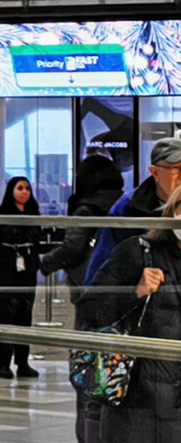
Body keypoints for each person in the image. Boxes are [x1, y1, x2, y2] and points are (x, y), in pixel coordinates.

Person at [80, 185, 181, 442]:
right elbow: (90, 311)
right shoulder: (138, 251)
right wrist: (134, 292)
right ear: (174, 212)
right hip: (136, 403)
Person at [39, 155, 123, 443]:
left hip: (89, 297)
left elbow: (72, 249)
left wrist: (44, 263)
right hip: (123, 297)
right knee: (117, 371)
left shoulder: (85, 209)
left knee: (88, 374)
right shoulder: (125, 205)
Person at [84, 137, 181, 286]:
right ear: (155, 172)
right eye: (177, 168)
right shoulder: (127, 208)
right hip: (146, 302)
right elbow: (101, 271)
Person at [0, 176, 41, 379]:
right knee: (7, 317)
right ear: (11, 191)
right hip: (6, 271)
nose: (24, 192)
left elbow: (37, 242)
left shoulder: (34, 213)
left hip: (27, 272)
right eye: (19, 188)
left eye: (27, 188)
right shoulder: (0, 213)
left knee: (25, 316)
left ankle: (23, 362)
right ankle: (3, 364)